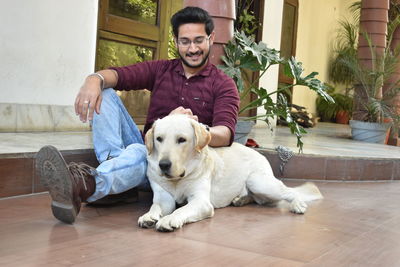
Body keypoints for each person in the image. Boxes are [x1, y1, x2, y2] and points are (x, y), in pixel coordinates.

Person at [35, 6, 239, 224]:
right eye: (185, 41)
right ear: (176, 42)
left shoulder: (223, 84)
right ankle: (115, 172)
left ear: (211, 38)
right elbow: (119, 75)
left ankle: (94, 183)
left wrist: (189, 128)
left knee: (137, 153)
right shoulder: (161, 70)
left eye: (199, 40)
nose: (192, 48)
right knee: (106, 92)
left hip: (176, 166)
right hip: (150, 151)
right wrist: (93, 79)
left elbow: (225, 133)